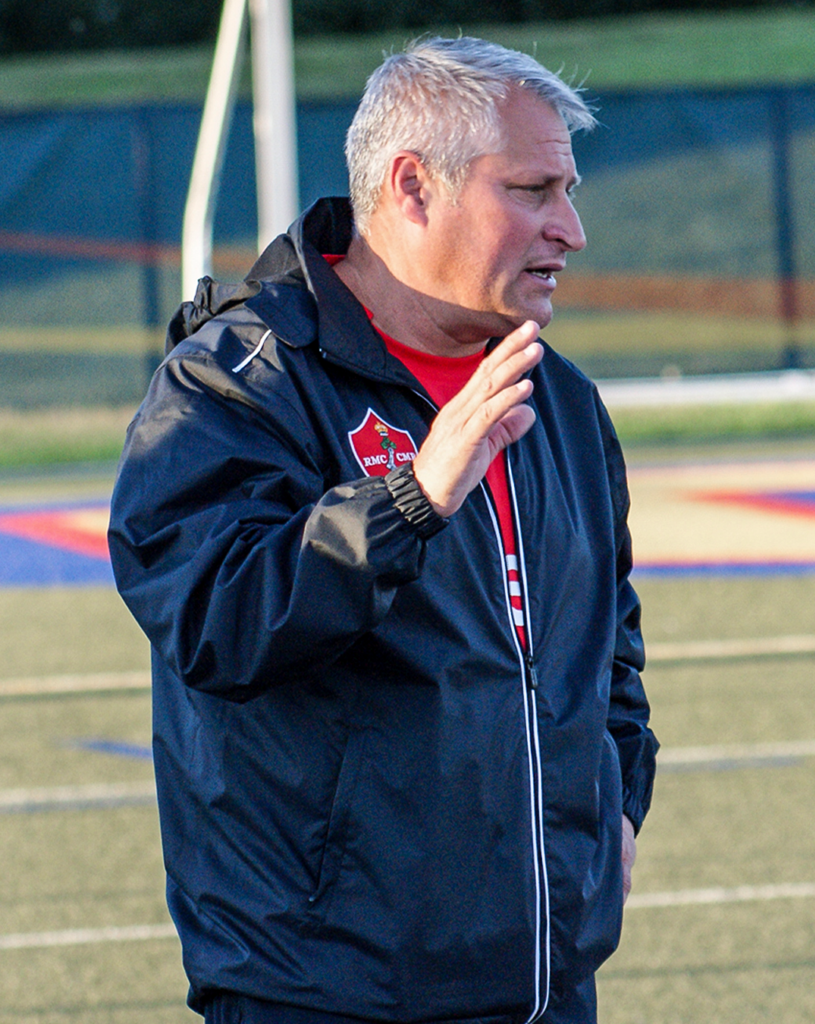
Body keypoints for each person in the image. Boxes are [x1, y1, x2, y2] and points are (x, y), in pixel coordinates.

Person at [109, 35, 658, 1024]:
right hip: (327, 991)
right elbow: (214, 617)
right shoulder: (238, 379)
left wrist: (622, 792)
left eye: (569, 190)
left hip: (544, 984)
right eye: (533, 190)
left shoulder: (559, 397)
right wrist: (411, 499)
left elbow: (605, 638)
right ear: (412, 187)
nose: (570, 227)